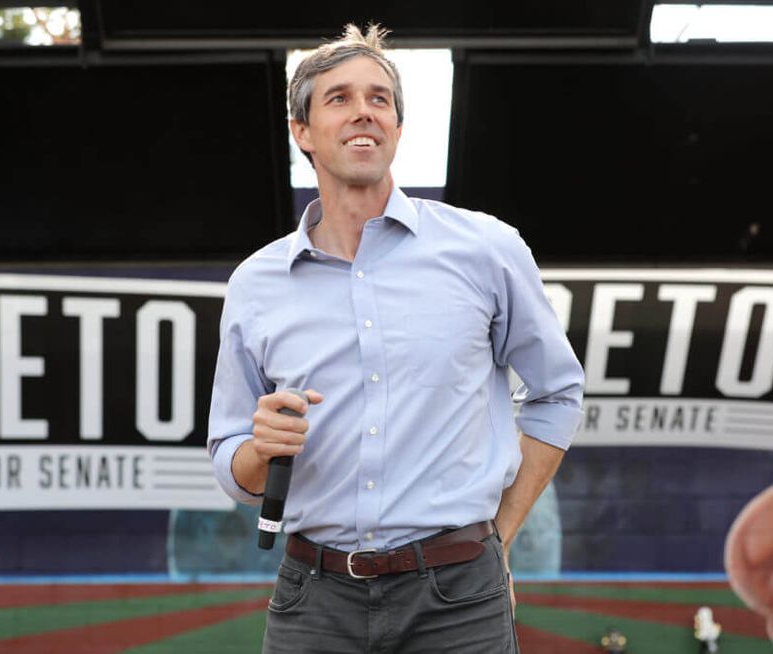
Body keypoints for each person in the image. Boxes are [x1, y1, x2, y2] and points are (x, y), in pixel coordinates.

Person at [208, 23, 584, 653]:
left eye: (380, 99)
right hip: (314, 597)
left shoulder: (485, 249)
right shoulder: (257, 281)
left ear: (399, 128)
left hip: (460, 594)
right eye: (339, 98)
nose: (364, 112)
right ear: (301, 132)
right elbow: (230, 457)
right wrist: (258, 449)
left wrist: (502, 535)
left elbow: (558, 393)